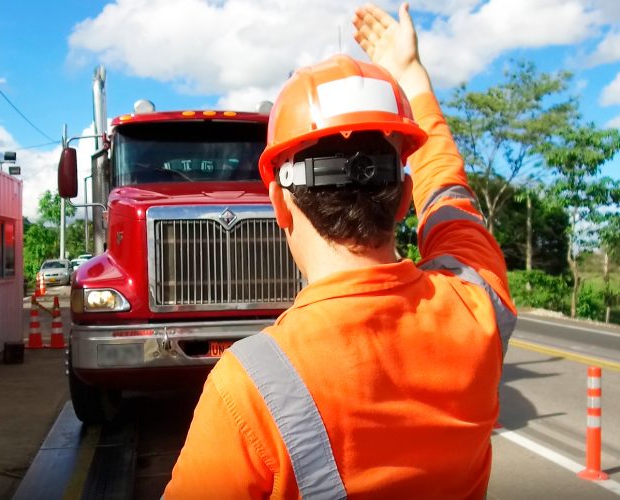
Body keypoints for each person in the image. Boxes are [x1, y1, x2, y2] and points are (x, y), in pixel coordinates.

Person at [164, 3, 516, 498]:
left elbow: (447, 192)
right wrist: (412, 73)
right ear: (403, 201)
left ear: (279, 206)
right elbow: (450, 194)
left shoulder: (248, 389)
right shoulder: (478, 310)